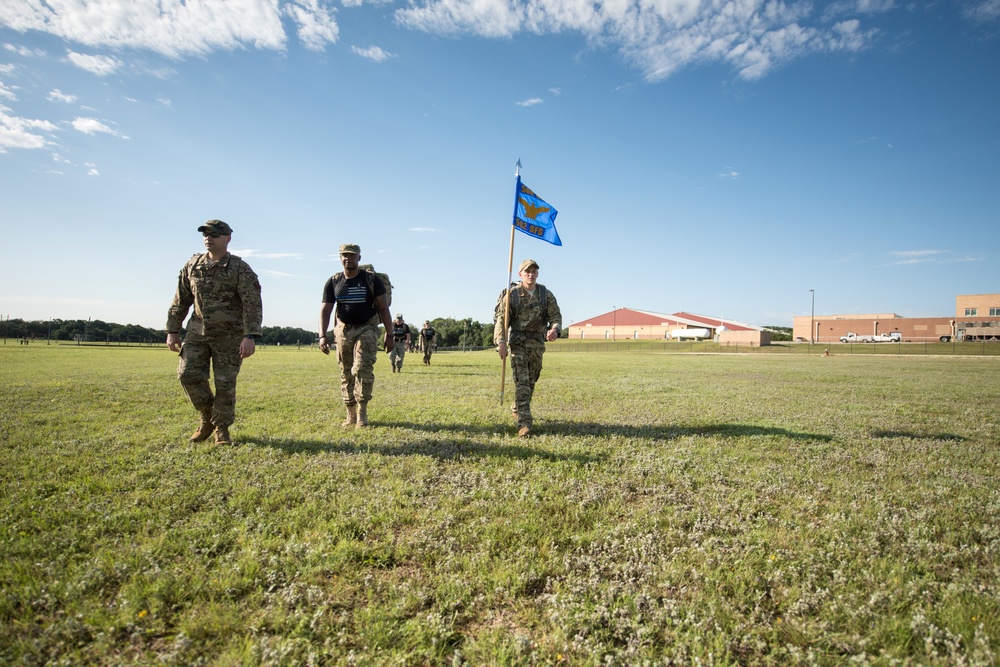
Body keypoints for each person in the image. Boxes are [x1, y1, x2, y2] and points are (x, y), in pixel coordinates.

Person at [166, 219, 263, 445]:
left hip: (230, 337)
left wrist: (250, 336)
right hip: (197, 333)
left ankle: (221, 429)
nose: (208, 237)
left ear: (227, 238)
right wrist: (172, 330)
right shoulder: (192, 265)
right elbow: (181, 300)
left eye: (214, 234)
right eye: (205, 234)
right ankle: (207, 417)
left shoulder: (240, 269)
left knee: (225, 384)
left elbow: (252, 304)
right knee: (187, 375)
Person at [319, 244, 393, 428]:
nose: (348, 259)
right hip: (343, 330)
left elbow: (384, 308)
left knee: (361, 368)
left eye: (352, 256)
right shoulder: (334, 281)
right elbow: (325, 310)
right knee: (346, 371)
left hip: (366, 329)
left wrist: (389, 334)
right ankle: (350, 413)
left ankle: (362, 412)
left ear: (359, 258)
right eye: (344, 255)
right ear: (340, 257)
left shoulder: (370, 280)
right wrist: (322, 336)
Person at [494, 258, 562, 437]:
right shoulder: (513, 295)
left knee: (532, 380)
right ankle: (524, 424)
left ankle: (517, 406)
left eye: (533, 271)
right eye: (527, 272)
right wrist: (501, 342)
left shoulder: (545, 294)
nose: (530, 275)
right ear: (520, 274)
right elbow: (501, 319)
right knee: (522, 383)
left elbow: (555, 316)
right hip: (518, 343)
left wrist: (555, 329)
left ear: (537, 273)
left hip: (537, 344)